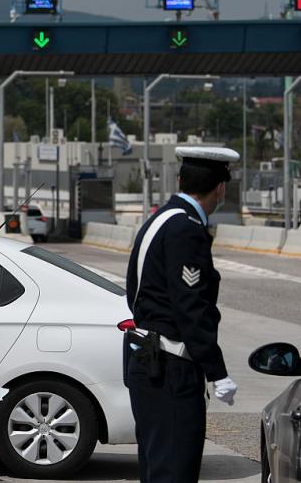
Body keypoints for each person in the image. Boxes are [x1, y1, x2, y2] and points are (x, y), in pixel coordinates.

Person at [124, 146, 239, 483]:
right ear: (220, 189)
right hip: (171, 368)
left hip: (148, 361)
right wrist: (216, 371)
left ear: (180, 179)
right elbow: (191, 307)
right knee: (175, 470)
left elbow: (136, 292)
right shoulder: (186, 229)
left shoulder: (158, 220)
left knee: (157, 466)